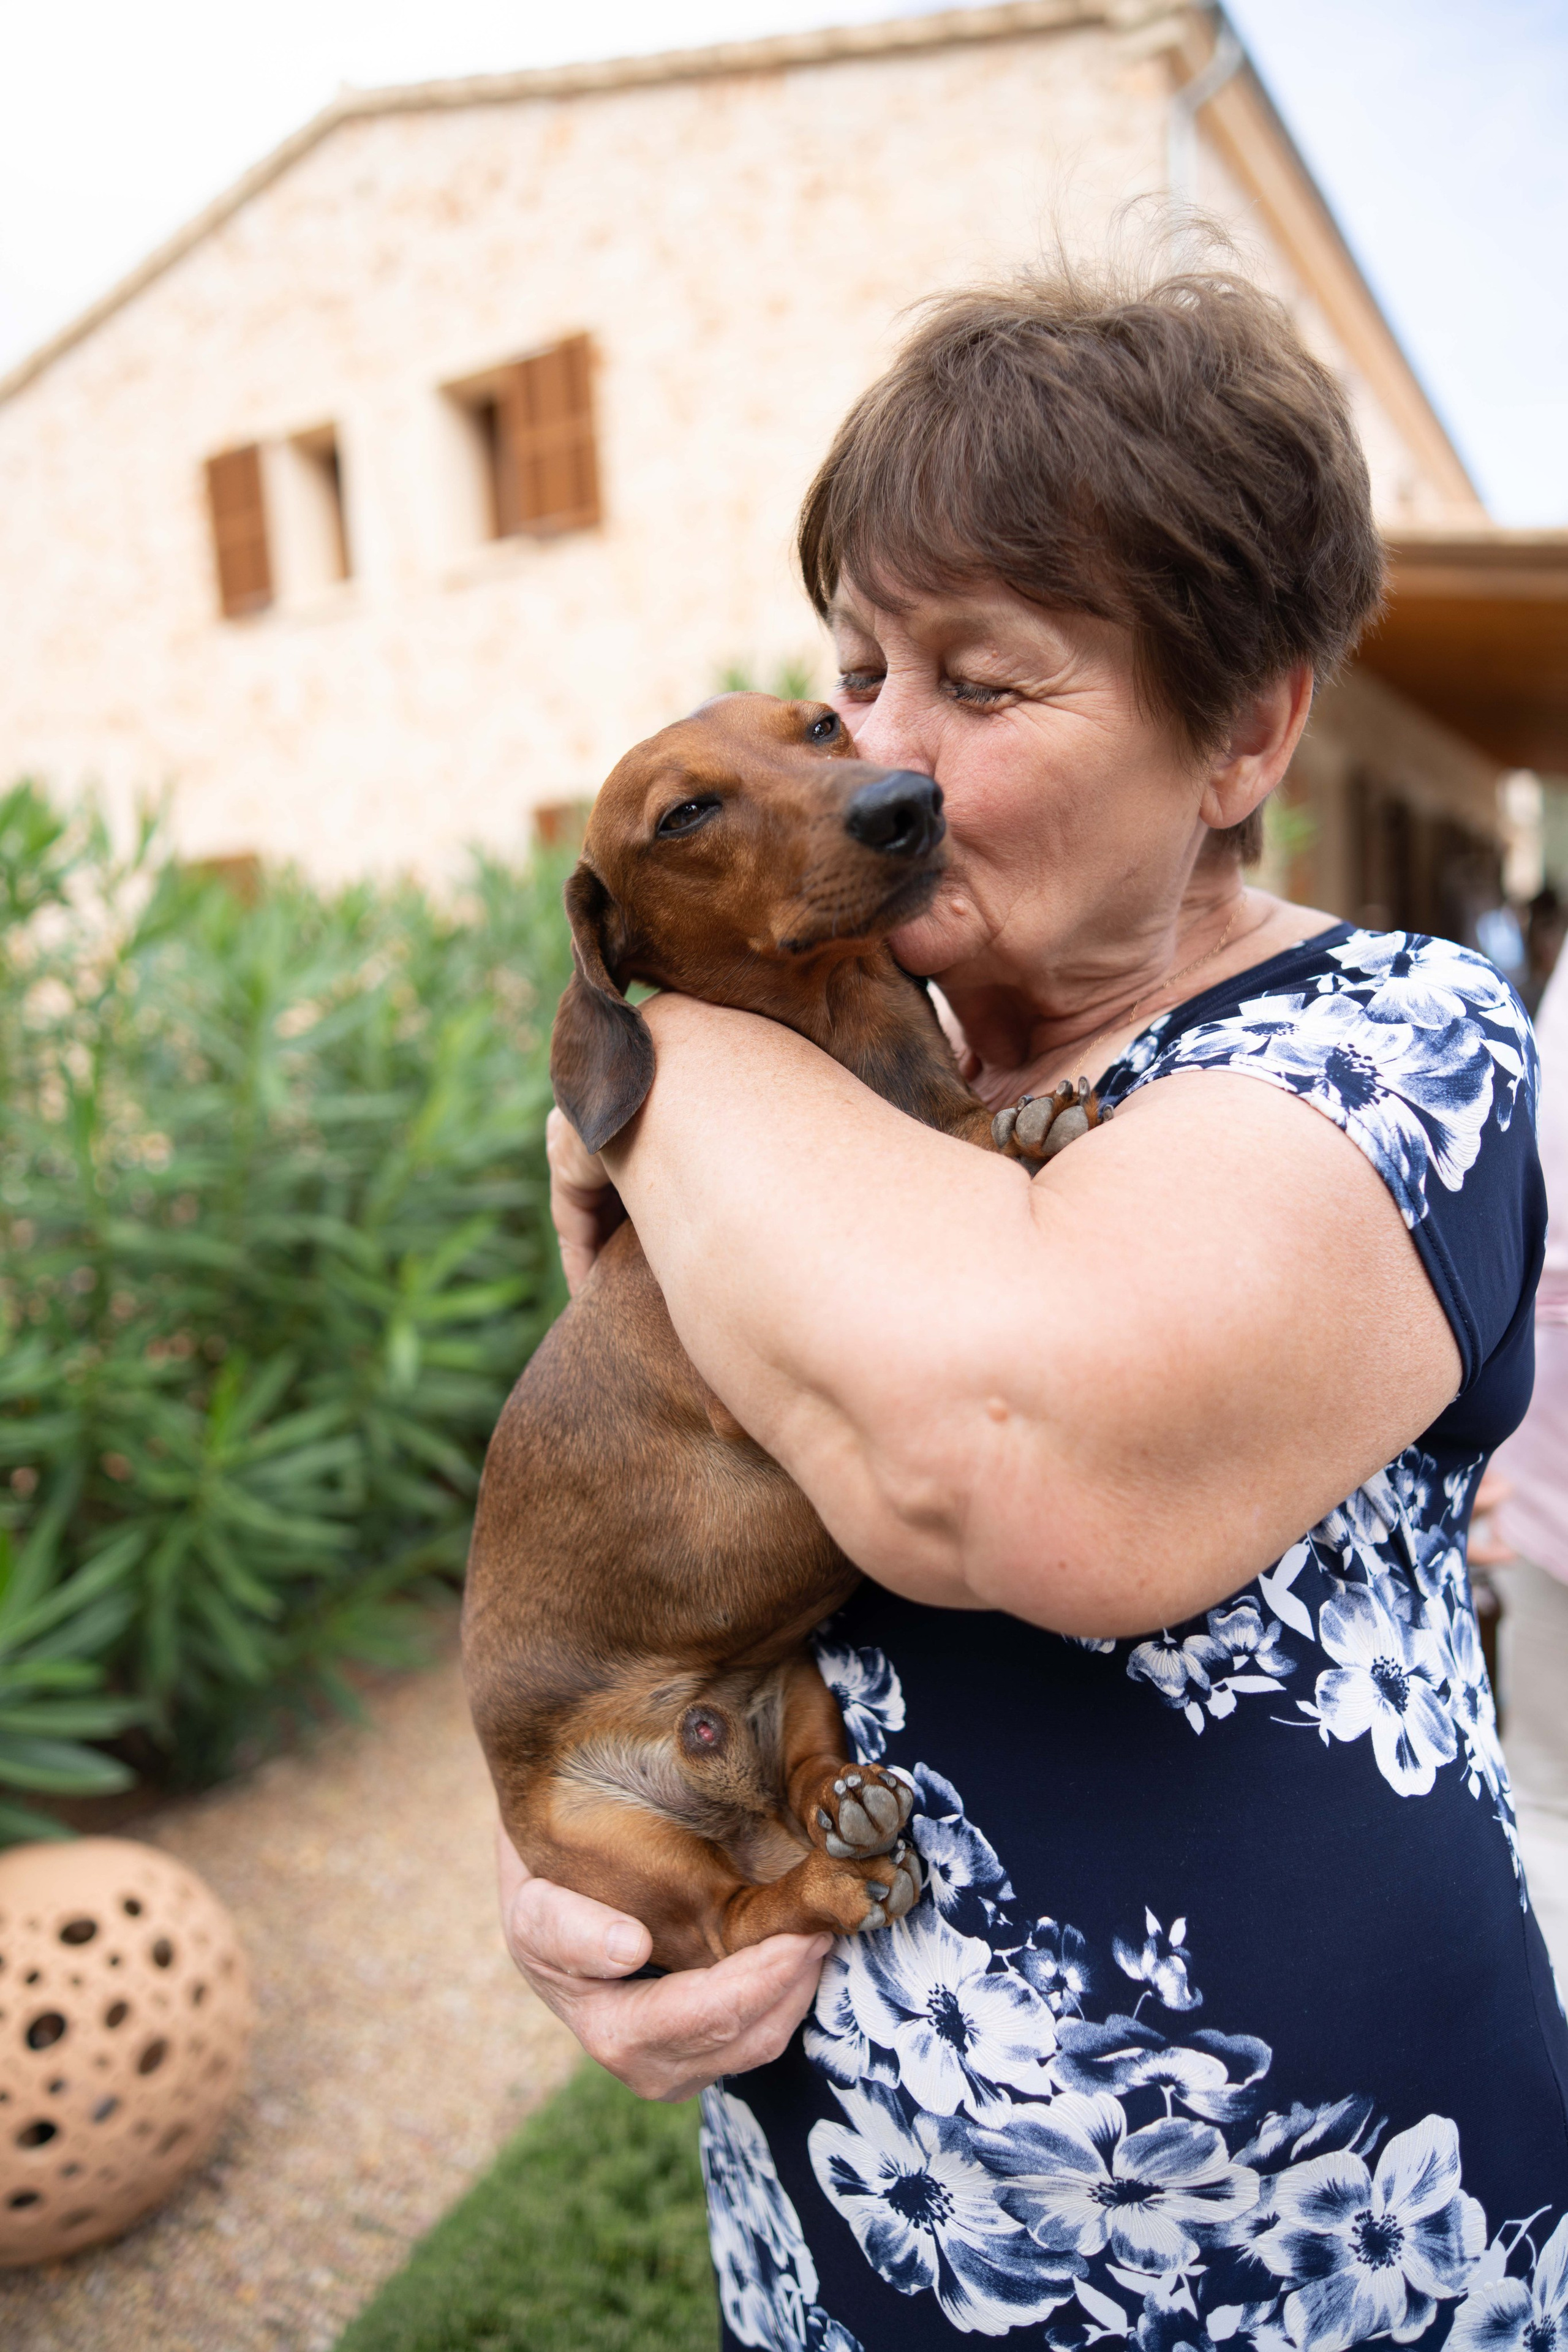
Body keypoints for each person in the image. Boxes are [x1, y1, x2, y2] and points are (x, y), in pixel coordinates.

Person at [497, 265, 1568, 2351]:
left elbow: (1009, 1465)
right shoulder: (829, 1068)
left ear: (1247, 732)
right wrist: (596, 1893)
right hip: (856, 2230)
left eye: (982, 689)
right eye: (856, 673)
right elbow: (662, 1543)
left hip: (1318, 2240)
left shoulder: (1391, 1042)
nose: (881, 759)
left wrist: (655, 1064)